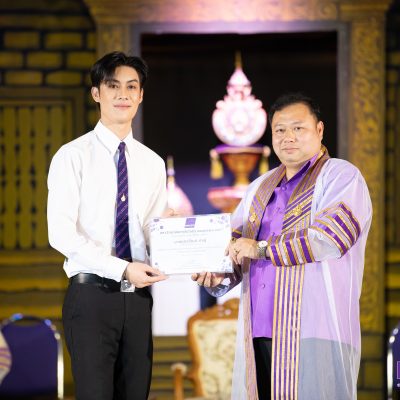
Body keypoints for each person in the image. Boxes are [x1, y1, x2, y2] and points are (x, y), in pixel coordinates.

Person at [192, 92, 372, 400]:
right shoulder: (259, 189)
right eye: (280, 130)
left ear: (319, 130)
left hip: (315, 332)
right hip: (259, 330)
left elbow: (330, 238)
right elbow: (234, 248)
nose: (288, 137)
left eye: (298, 128)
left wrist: (261, 249)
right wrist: (216, 274)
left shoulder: (341, 177)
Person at [47, 51, 168, 400]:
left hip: (138, 300)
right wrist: (122, 268)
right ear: (96, 93)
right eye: (113, 86)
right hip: (91, 298)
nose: (123, 94)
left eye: (131, 87)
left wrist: (176, 241)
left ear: (140, 95)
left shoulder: (152, 163)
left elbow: (151, 231)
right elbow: (61, 234)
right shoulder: (72, 156)